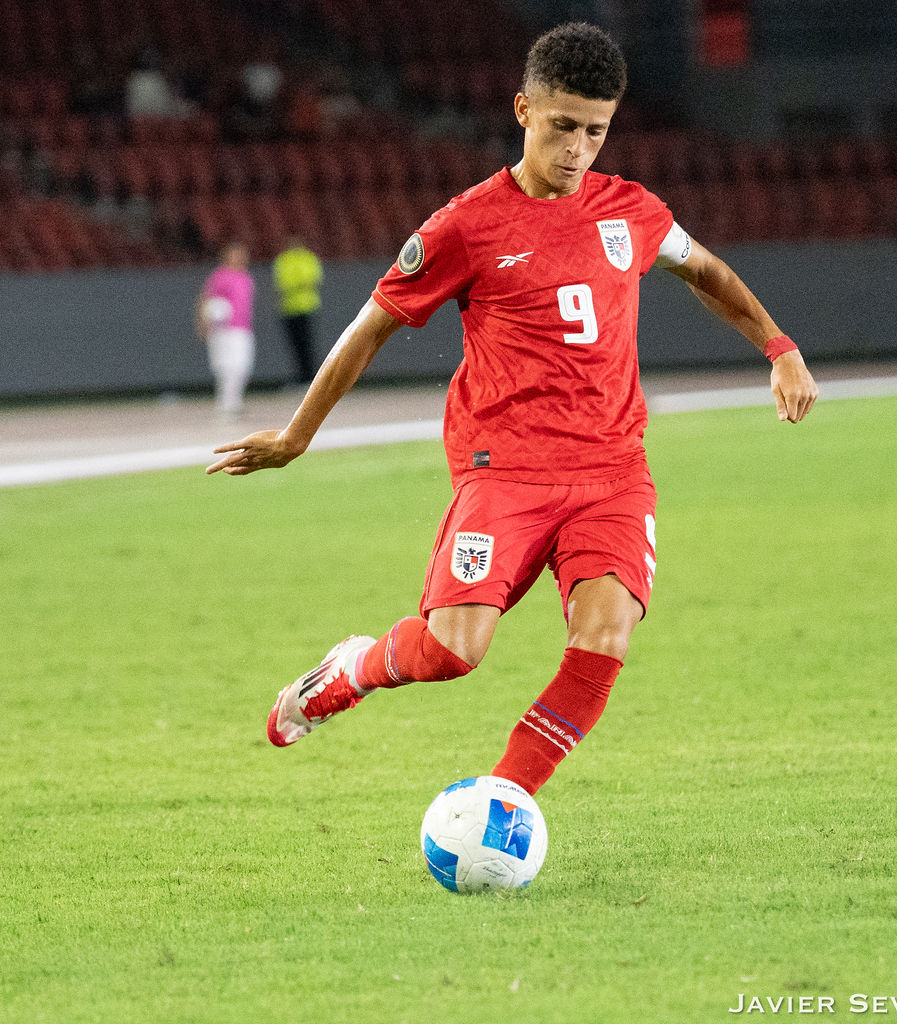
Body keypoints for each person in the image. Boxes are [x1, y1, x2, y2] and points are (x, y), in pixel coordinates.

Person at [206, 23, 818, 796]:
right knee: (454, 650)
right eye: (563, 126)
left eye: (596, 131)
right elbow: (370, 329)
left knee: (606, 636)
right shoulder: (466, 226)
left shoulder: (631, 211)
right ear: (524, 110)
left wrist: (779, 346)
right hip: (507, 471)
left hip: (612, 472)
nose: (578, 148)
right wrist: (297, 435)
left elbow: (708, 272)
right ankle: (353, 666)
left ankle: (503, 801)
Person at [197, 242, 256, 419]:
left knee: (243, 366)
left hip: (243, 328)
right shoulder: (220, 276)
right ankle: (227, 405)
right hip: (223, 331)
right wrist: (204, 324)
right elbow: (206, 300)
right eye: (235, 254)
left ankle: (233, 402)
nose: (240, 257)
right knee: (227, 367)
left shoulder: (246, 277)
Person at [272, 237, 324, 384]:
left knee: (307, 344)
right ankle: (301, 377)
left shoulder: (308, 258)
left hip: (306, 307)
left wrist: (294, 286)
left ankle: (312, 377)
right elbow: (283, 283)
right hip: (288, 309)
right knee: (295, 346)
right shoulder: (283, 260)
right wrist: (297, 285)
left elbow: (311, 280)